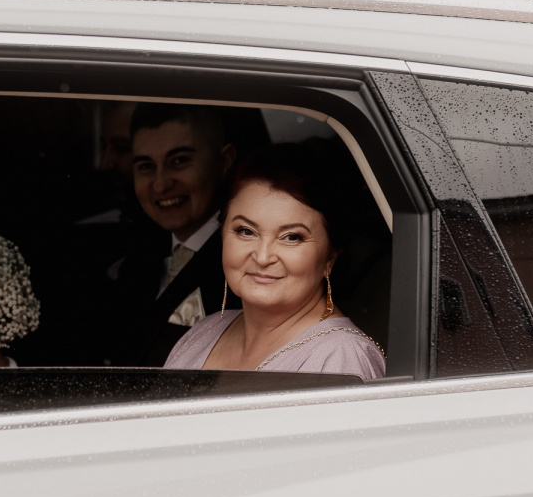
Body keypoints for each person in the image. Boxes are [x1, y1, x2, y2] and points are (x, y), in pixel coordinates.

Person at [165, 143, 385, 377]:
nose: (262, 257)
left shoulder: (342, 357)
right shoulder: (204, 331)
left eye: (291, 237)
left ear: (330, 257)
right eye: (246, 231)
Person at [105, 103, 239, 366]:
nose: (161, 184)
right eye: (146, 166)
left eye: (179, 161)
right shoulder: (135, 250)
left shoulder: (247, 259)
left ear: (223, 162)